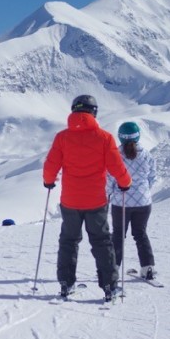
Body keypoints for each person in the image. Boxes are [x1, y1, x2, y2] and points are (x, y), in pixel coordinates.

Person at [42, 95, 132, 301]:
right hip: (95, 201)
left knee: (68, 241)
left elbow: (51, 164)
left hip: (70, 201)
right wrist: (125, 182)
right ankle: (109, 287)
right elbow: (116, 166)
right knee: (101, 242)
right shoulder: (104, 137)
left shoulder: (62, 137)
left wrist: (49, 181)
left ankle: (66, 284)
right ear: (94, 112)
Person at [107, 122, 158, 279]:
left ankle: (113, 268)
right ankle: (148, 268)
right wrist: (142, 192)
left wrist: (108, 195)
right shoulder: (147, 154)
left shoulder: (114, 154)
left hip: (121, 202)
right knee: (140, 234)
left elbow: (109, 179)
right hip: (143, 203)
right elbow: (152, 177)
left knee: (118, 235)